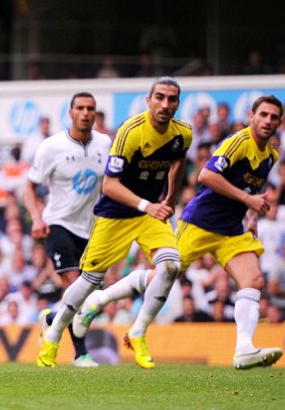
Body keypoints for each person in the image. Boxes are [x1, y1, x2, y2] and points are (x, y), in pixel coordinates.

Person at [38, 76, 191, 369]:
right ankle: (54, 333)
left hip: (149, 214)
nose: (165, 104)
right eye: (159, 97)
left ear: (177, 104)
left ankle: (138, 333)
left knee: (171, 265)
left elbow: (179, 161)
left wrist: (170, 198)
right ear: (149, 101)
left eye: (171, 99)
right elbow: (109, 186)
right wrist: (151, 204)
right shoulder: (130, 132)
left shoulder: (182, 133)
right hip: (115, 214)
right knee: (88, 282)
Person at [176, 95, 285, 370]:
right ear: (252, 116)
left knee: (254, 279)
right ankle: (98, 299)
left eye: (274, 117)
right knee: (162, 275)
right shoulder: (238, 141)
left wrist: (250, 216)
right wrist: (249, 202)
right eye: (264, 115)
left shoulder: (271, 155)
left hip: (232, 230)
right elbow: (206, 176)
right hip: (201, 221)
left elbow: (249, 190)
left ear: (279, 123)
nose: (268, 121)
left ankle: (244, 349)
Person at [24, 92, 112, 367]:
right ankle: (80, 354)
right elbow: (29, 186)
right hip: (58, 224)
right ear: (71, 113)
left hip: (92, 228)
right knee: (75, 288)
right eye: (81, 108)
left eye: (91, 109)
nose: (86, 113)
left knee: (88, 295)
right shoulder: (51, 147)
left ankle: (51, 319)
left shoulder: (105, 143)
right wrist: (37, 218)